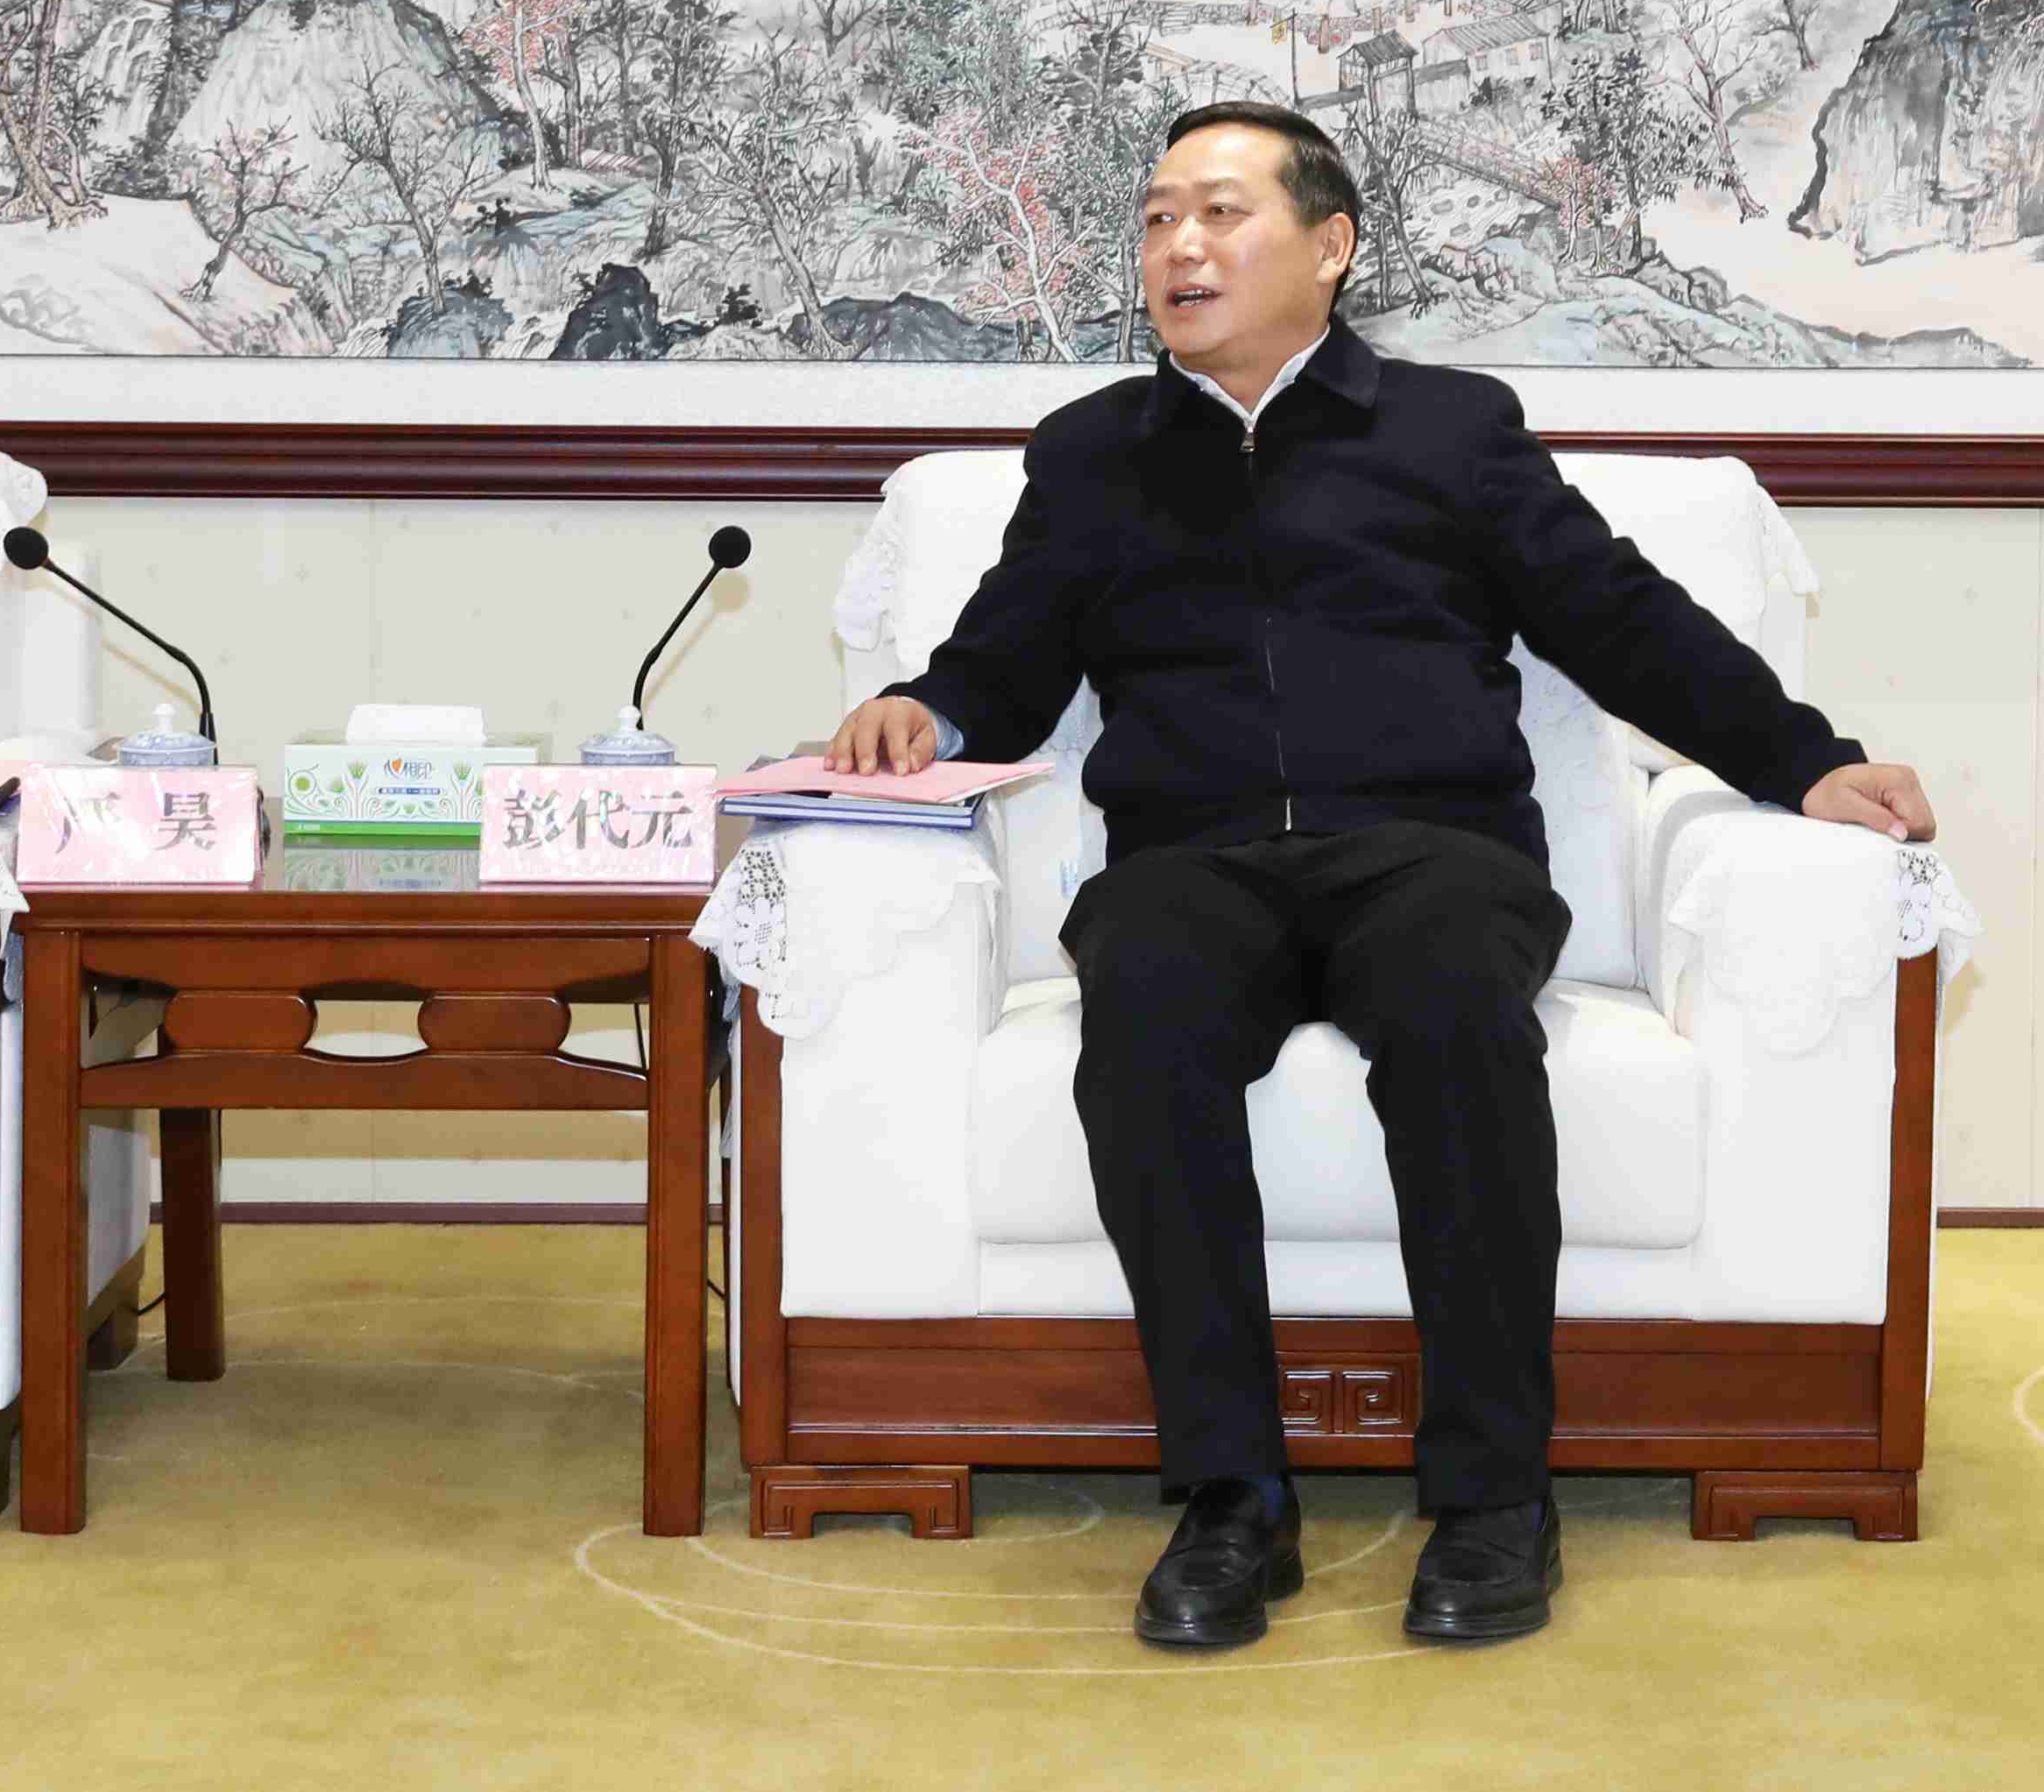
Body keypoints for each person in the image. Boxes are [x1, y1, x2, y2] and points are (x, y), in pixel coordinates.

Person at [826, 101, 1934, 1650]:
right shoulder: (1092, 455)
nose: (1179, 245)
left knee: (1456, 1004)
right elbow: (1003, 664)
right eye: (1157, 217)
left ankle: (1494, 1494)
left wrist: (1803, 757)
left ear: (1332, 245)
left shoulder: (1451, 430)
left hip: (1433, 849)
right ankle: (1233, 1496)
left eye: (1220, 212)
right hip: (1193, 854)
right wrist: (923, 713)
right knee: (1138, 1001)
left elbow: (1617, 618)